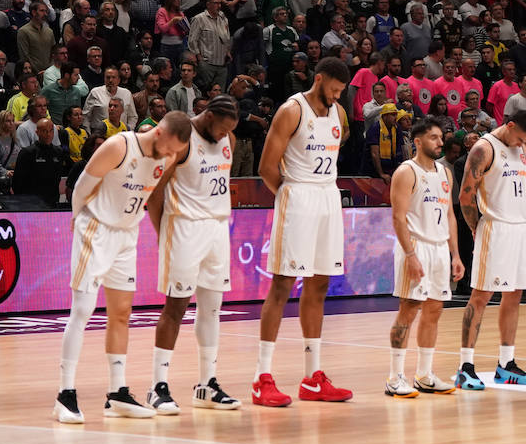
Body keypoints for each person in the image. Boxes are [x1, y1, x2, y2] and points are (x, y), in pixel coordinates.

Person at [52, 111, 192, 424]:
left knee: (121, 314)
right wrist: (78, 221)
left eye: (176, 153)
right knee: (83, 310)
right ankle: (65, 394)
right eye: (169, 148)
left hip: (127, 234)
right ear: (158, 133)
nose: (171, 156)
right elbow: (81, 187)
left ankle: (117, 392)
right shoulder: (119, 146)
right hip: (96, 229)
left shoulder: (167, 157)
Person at [252, 57, 352, 407]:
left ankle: (312, 376)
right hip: (297, 194)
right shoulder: (291, 110)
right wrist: (290, 196)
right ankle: (261, 377)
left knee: (321, 282)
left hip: (328, 196)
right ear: (319, 79)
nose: (337, 97)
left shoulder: (338, 114)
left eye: (342, 92)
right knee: (282, 283)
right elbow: (266, 166)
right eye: (334, 90)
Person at [145, 95, 242, 414]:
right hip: (183, 227)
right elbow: (155, 193)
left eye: (229, 130)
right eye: (221, 128)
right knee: (175, 307)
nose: (223, 135)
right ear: (208, 115)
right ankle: (157, 386)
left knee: (212, 309)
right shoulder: (183, 139)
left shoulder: (228, 137)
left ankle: (207, 384)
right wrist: (163, 236)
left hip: (216, 228)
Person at [454, 109, 526, 390]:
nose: (521, 144)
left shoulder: (522, 146)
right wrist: (474, 227)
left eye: (525, 142)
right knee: (481, 296)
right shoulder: (483, 148)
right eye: (519, 138)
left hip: (521, 225)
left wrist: (522, 143)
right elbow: (466, 194)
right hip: (495, 226)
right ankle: (465, 366)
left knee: (514, 295)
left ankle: (506, 364)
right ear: (510, 125)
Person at [386, 120, 463, 398]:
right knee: (408, 309)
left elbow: (450, 215)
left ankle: (425, 375)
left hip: (440, 247)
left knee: (434, 310)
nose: (440, 142)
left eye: (440, 137)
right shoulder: (406, 172)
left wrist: (455, 254)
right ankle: (395, 377)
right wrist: (409, 255)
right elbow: (398, 217)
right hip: (416, 246)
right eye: (433, 138)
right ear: (417, 141)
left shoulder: (445, 172)